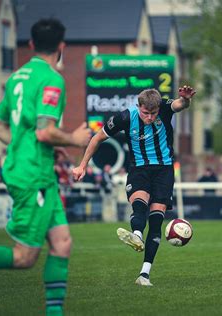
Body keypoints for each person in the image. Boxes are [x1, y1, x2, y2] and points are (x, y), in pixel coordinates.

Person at [0, 18, 91, 315]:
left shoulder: (17, 77)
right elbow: (44, 130)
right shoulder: (51, 79)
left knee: (62, 243)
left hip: (32, 169)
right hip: (33, 175)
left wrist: (40, 146)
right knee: (24, 257)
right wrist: (73, 139)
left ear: (30, 45)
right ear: (61, 46)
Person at [72, 86, 196, 286]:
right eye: (145, 113)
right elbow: (97, 138)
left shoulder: (164, 107)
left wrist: (186, 99)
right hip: (139, 169)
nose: (149, 117)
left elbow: (179, 104)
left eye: (153, 113)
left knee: (156, 220)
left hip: (164, 170)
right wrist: (82, 165)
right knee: (139, 202)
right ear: (138, 106)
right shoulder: (124, 117)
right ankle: (137, 235)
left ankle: (144, 275)